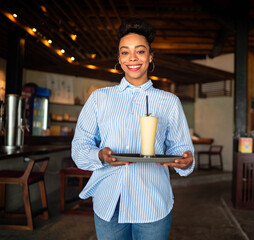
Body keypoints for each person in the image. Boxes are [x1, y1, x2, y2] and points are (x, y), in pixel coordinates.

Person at [71, 17, 195, 240]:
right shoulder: (100, 98)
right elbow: (80, 145)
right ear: (119, 58)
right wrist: (99, 155)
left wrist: (186, 160)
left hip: (152, 201)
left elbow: (183, 148)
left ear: (150, 56)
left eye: (140, 51)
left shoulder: (169, 102)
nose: (133, 58)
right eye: (125, 52)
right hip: (109, 200)